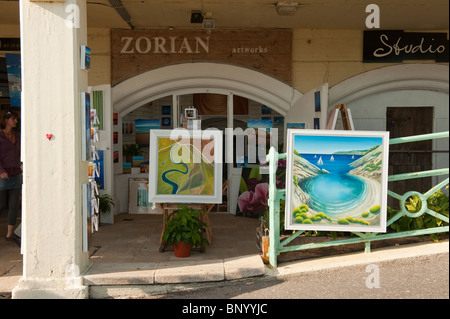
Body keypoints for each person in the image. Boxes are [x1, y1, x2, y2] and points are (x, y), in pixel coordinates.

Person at [0, 109, 22, 247]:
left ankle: (10, 234)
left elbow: (20, 152)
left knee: (14, 205)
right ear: (6, 120)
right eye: (13, 119)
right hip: (3, 175)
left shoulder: (16, 135)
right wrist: (1, 171)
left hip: (15, 174)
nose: (16, 121)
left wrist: (21, 165)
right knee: (1, 204)